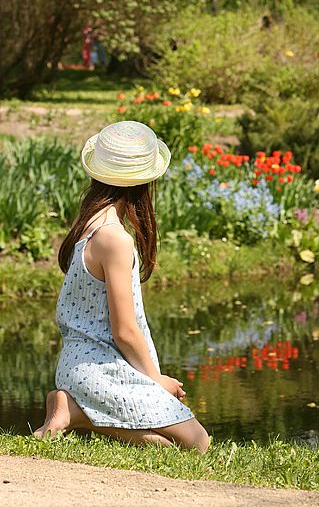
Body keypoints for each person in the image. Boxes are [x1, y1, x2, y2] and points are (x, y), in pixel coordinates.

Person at [33, 121, 210, 453]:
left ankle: (71, 407)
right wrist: (156, 380)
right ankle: (76, 412)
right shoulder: (115, 239)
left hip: (75, 364)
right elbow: (124, 330)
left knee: (169, 447)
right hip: (101, 371)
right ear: (145, 181)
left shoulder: (88, 224)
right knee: (198, 444)